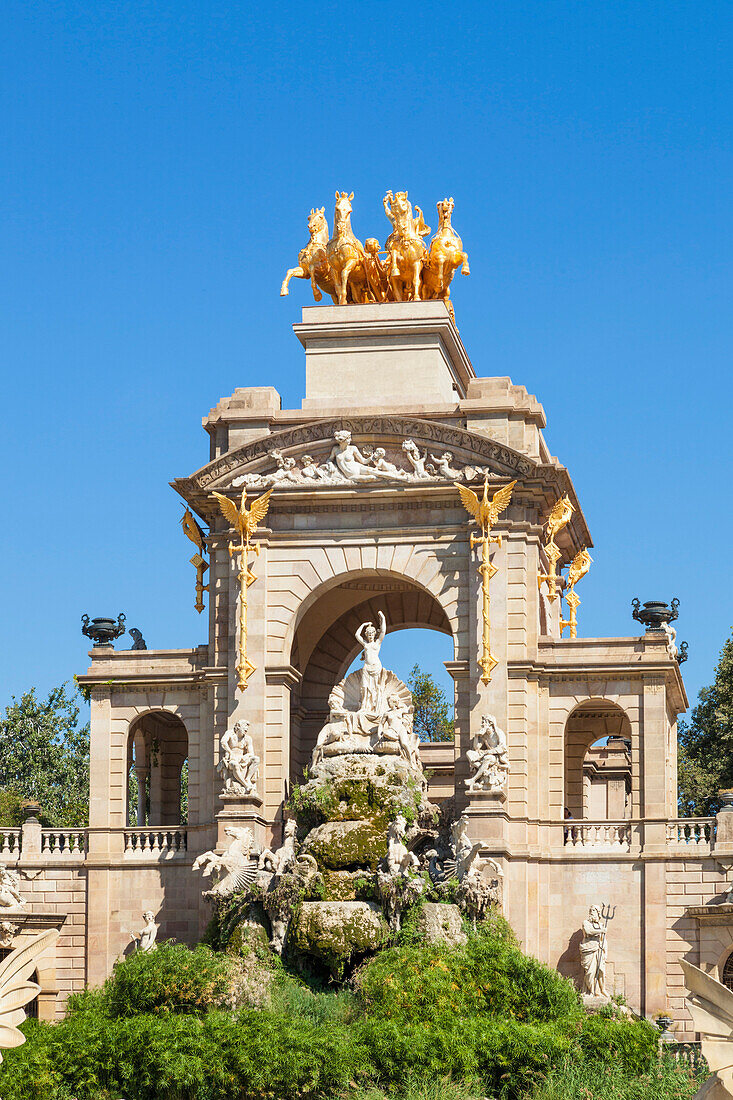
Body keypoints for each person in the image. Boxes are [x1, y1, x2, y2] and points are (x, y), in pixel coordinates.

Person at [355, 611, 387, 713]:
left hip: (376, 667)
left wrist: (382, 618)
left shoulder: (377, 643)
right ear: (366, 635)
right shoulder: (365, 644)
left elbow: (383, 631)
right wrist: (363, 625)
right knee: (365, 687)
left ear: (374, 634)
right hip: (366, 667)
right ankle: (364, 706)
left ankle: (375, 707)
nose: (370, 636)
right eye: (368, 634)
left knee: (376, 688)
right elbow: (357, 635)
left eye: (372, 634)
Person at [219, 720, 260, 795]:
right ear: (238, 726)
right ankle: (246, 785)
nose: (246, 731)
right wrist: (230, 752)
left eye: (246, 730)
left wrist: (246, 756)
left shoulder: (247, 738)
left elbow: (251, 753)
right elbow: (223, 742)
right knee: (235, 765)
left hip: (242, 759)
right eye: (244, 729)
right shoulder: (230, 733)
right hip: (231, 760)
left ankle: (247, 779)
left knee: (256, 759)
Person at [580, 905, 607, 996]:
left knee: (601, 970)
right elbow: (588, 931)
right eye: (590, 911)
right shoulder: (586, 923)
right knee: (590, 972)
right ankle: (592, 991)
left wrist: (605, 952)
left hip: (598, 950)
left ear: (598, 913)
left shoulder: (601, 925)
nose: (591, 912)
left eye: (594, 911)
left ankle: (602, 989)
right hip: (588, 949)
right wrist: (601, 931)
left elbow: (604, 940)